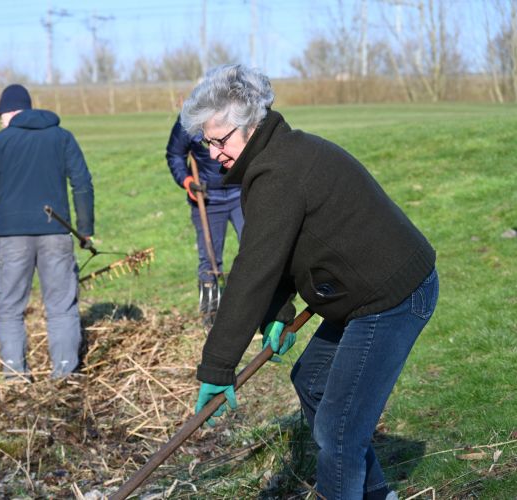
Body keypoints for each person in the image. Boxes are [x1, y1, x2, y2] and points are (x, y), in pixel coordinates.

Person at [183, 65, 438, 500]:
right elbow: (283, 248)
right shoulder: (277, 157)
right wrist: (277, 314)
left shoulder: (279, 172)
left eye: (218, 140)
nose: (211, 153)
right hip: (357, 293)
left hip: (392, 295)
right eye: (206, 141)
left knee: (338, 432)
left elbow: (253, 269)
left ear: (250, 125)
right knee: (313, 381)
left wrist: (217, 366)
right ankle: (376, 493)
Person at [0, 84, 94, 380]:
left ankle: (15, 377)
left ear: (7, 114)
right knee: (62, 306)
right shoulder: (62, 137)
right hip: (56, 232)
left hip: (11, 236)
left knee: (10, 309)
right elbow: (82, 183)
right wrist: (85, 229)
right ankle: (65, 374)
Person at [166, 115, 244, 328]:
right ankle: (211, 316)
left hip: (242, 192)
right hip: (207, 198)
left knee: (254, 250)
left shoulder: (236, 110)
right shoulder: (189, 117)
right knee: (209, 259)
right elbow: (175, 153)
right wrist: (186, 180)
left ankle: (261, 309)